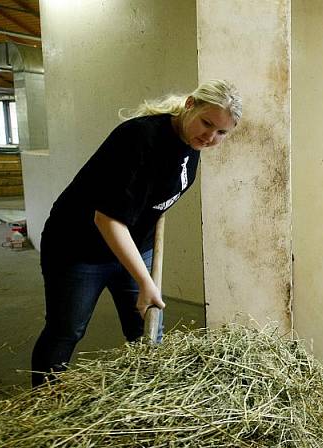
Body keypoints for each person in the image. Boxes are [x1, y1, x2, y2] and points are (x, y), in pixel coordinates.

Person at [31, 80, 242, 387]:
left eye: (221, 132)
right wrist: (145, 281)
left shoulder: (191, 146)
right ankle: (43, 401)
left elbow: (156, 197)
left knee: (146, 329)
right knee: (67, 328)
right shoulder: (138, 138)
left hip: (132, 244)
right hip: (79, 246)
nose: (210, 136)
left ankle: (148, 396)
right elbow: (107, 220)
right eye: (207, 123)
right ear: (189, 105)